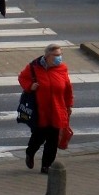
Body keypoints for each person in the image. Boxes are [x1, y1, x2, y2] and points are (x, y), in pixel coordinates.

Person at [19, 43, 73, 173]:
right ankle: (30, 152)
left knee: (53, 140)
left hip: (57, 109)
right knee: (38, 136)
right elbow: (22, 78)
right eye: (56, 55)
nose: (59, 58)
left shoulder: (62, 68)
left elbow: (68, 88)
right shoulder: (33, 67)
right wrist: (30, 86)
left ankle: (46, 166)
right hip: (40, 110)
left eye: (60, 55)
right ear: (47, 56)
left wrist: (69, 105)